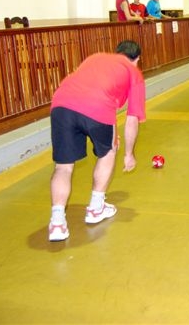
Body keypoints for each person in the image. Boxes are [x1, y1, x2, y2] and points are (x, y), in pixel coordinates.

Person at [47, 40, 146, 242]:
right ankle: (96, 207)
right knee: (108, 151)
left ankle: (57, 222)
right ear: (137, 59)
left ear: (116, 52)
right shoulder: (133, 71)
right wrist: (129, 153)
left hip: (61, 105)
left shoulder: (96, 57)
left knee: (63, 168)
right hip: (97, 106)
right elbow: (132, 118)